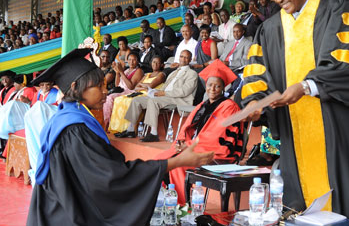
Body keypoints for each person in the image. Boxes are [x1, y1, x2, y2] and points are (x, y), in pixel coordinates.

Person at [241, 0, 349, 225]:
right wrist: (255, 103)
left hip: (339, 125)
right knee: (299, 203)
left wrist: (307, 86)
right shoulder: (268, 29)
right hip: (297, 130)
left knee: (346, 205)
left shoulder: (339, 11)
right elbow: (257, 73)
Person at [26, 48, 213, 226]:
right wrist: (176, 162)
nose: (106, 92)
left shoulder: (63, 119)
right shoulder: (74, 130)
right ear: (75, 87)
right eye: (99, 86)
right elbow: (113, 178)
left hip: (59, 210)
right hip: (67, 216)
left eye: (105, 85)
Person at [155, 60, 243, 203]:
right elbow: (186, 127)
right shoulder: (202, 105)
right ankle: (163, 202)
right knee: (159, 161)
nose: (212, 89)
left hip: (216, 155)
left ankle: (181, 207)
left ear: (223, 88)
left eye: (217, 86)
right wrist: (181, 142)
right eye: (210, 85)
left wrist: (189, 145)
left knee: (178, 164)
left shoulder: (229, 106)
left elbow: (216, 136)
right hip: (195, 148)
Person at [122, 50, 198, 142]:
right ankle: (130, 129)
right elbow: (165, 88)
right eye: (181, 56)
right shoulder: (174, 72)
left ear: (190, 59)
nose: (183, 59)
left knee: (153, 101)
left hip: (178, 99)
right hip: (165, 96)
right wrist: (152, 91)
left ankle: (154, 133)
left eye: (186, 57)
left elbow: (184, 91)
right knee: (136, 100)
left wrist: (164, 93)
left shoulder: (192, 74)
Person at [109, 55, 166, 134]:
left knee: (129, 101)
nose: (155, 64)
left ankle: (130, 128)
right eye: (153, 62)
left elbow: (151, 86)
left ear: (162, 65)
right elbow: (136, 87)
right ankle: (119, 128)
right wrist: (144, 86)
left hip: (149, 94)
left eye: (157, 62)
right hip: (139, 92)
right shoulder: (147, 74)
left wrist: (143, 85)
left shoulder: (161, 75)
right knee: (120, 99)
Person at [104, 52, 144, 126]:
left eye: (134, 60)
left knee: (110, 98)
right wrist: (117, 73)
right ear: (127, 61)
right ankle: (107, 122)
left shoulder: (139, 71)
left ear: (137, 61)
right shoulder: (127, 70)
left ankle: (108, 123)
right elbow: (117, 85)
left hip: (129, 91)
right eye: (129, 60)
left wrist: (121, 72)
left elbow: (131, 86)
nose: (131, 62)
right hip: (121, 90)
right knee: (107, 97)